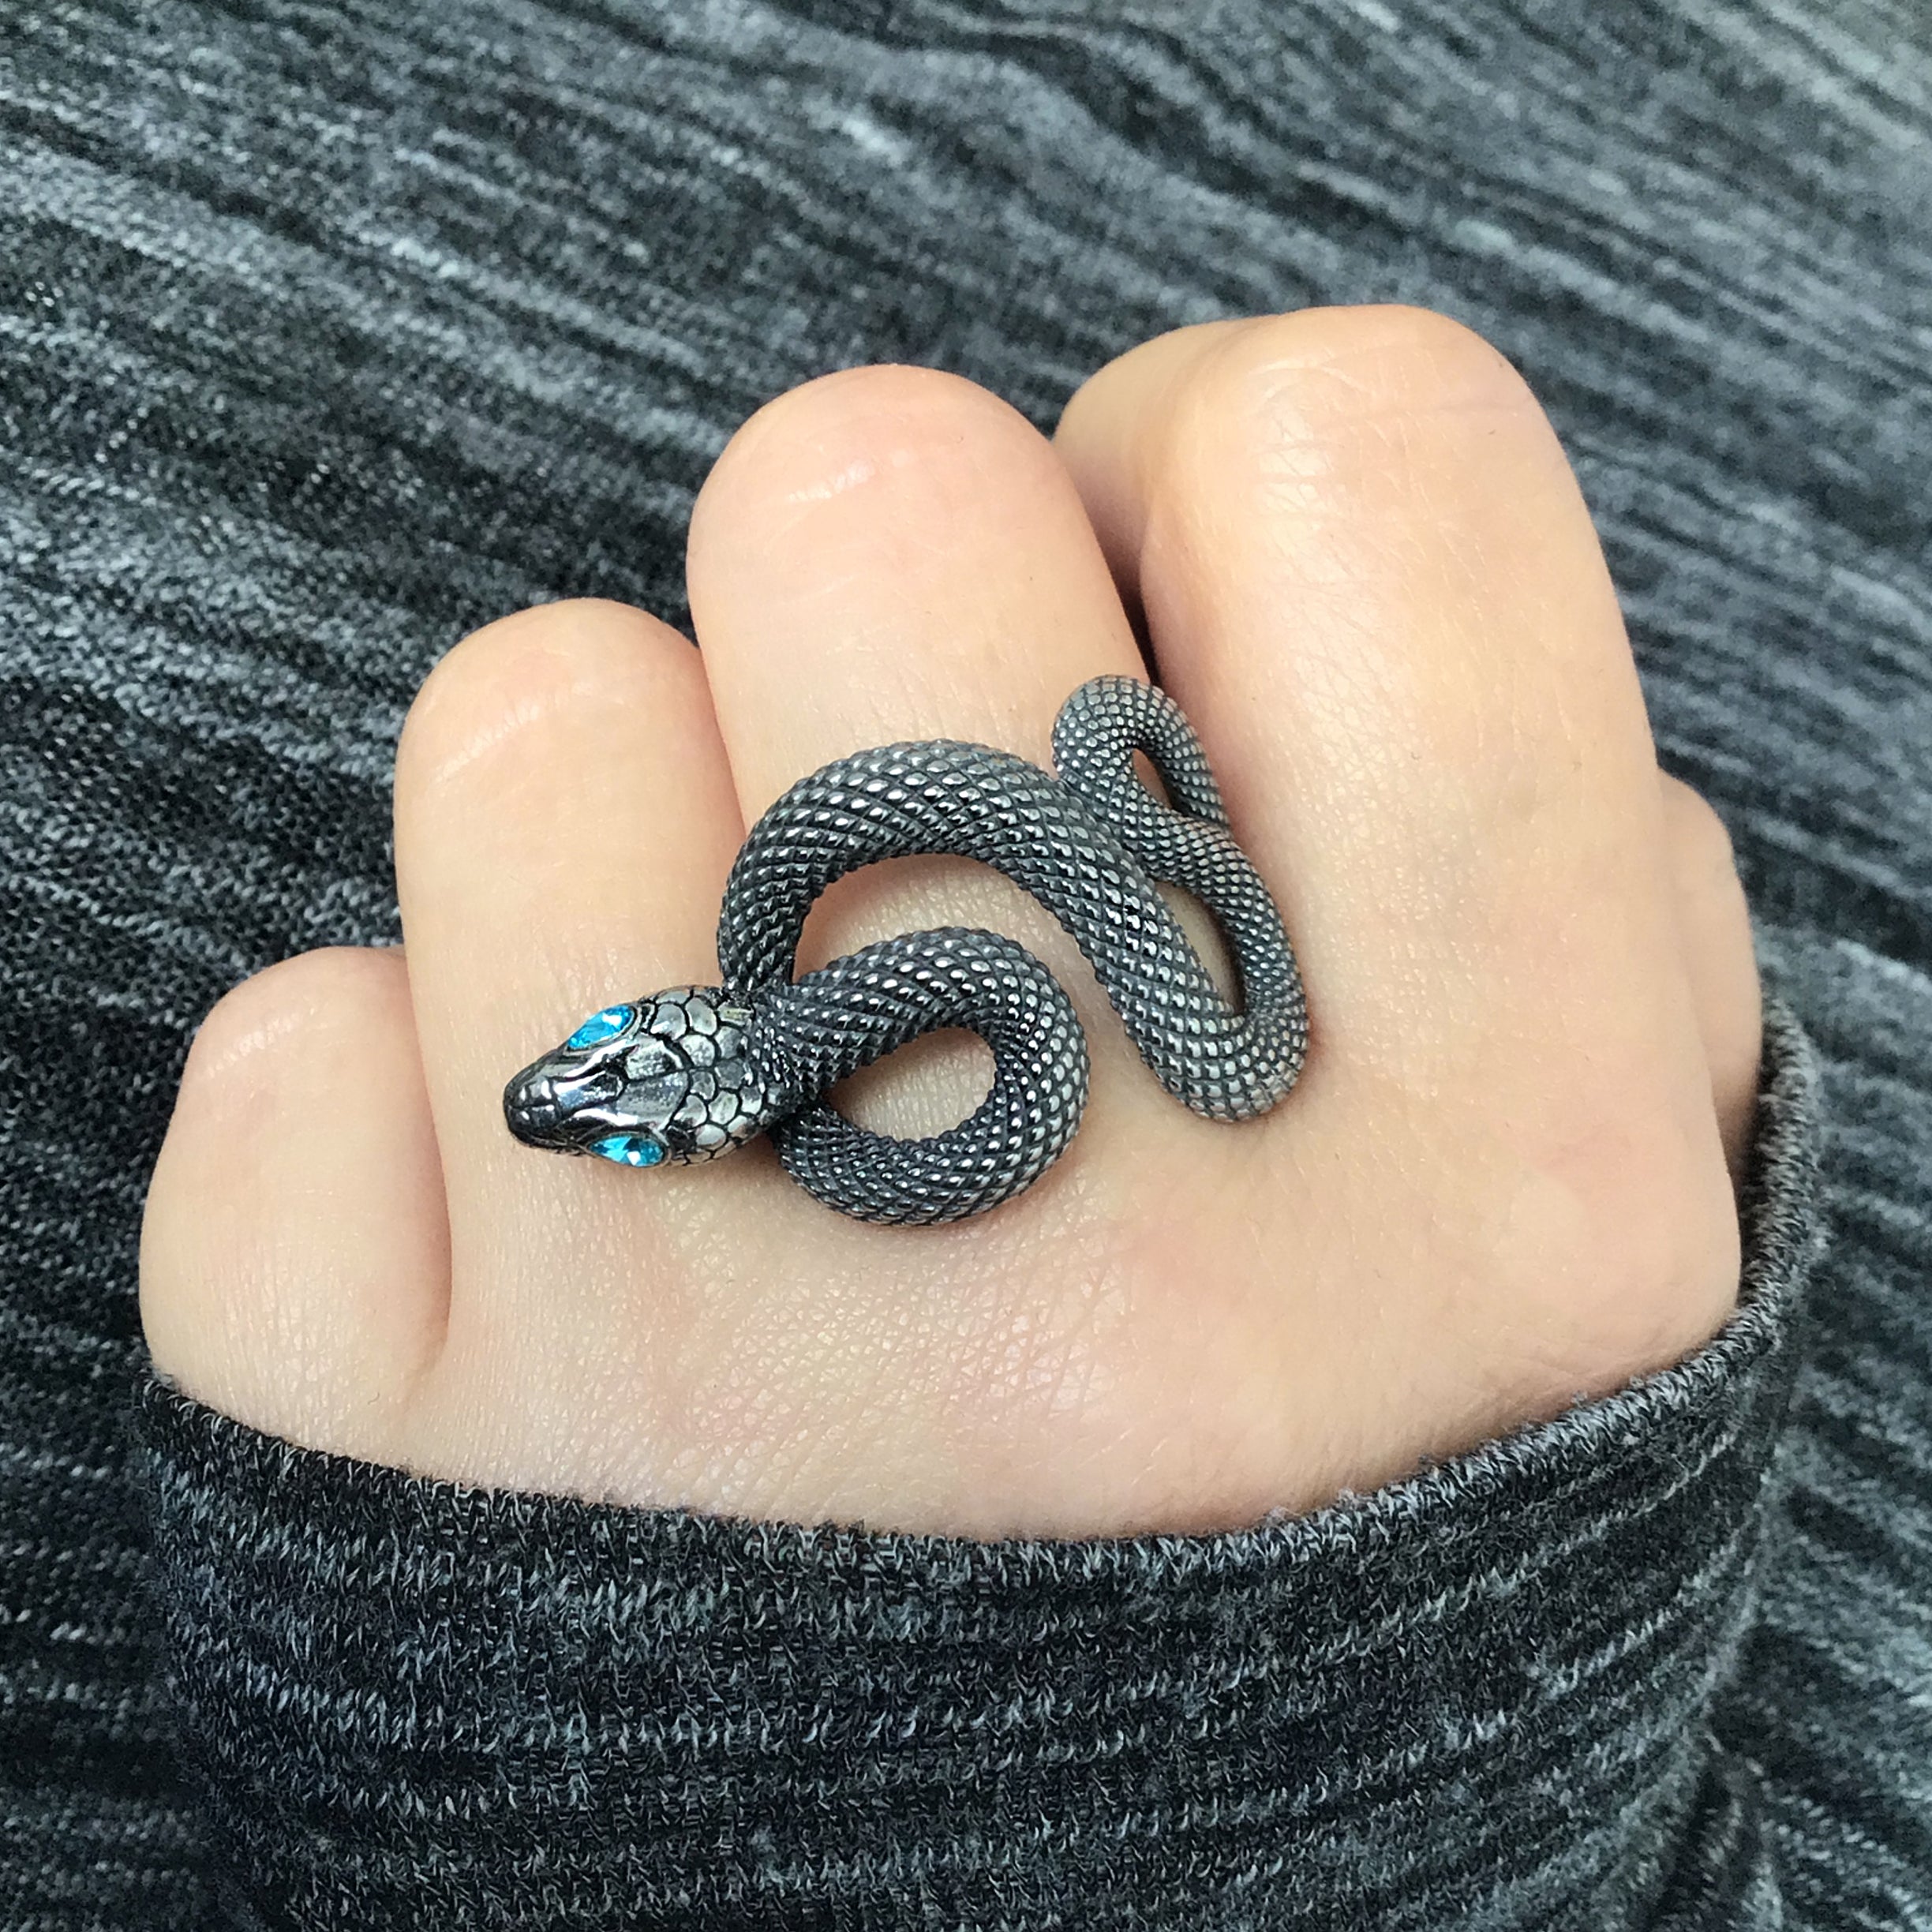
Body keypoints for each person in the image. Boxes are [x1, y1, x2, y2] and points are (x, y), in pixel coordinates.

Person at [5, 6, 1926, 1929]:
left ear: (704, 1047)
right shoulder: (890, 1018)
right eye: (627, 1100)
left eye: (621, 1081)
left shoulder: (919, 987)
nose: (585, 1101)